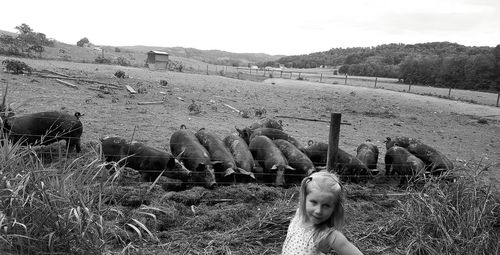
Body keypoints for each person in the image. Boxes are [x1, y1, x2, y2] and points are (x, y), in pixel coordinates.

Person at [282, 171, 363, 255]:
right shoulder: (299, 215)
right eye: (314, 202)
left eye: (326, 205)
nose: (318, 211)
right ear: (304, 199)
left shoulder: (327, 235)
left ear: (334, 208)